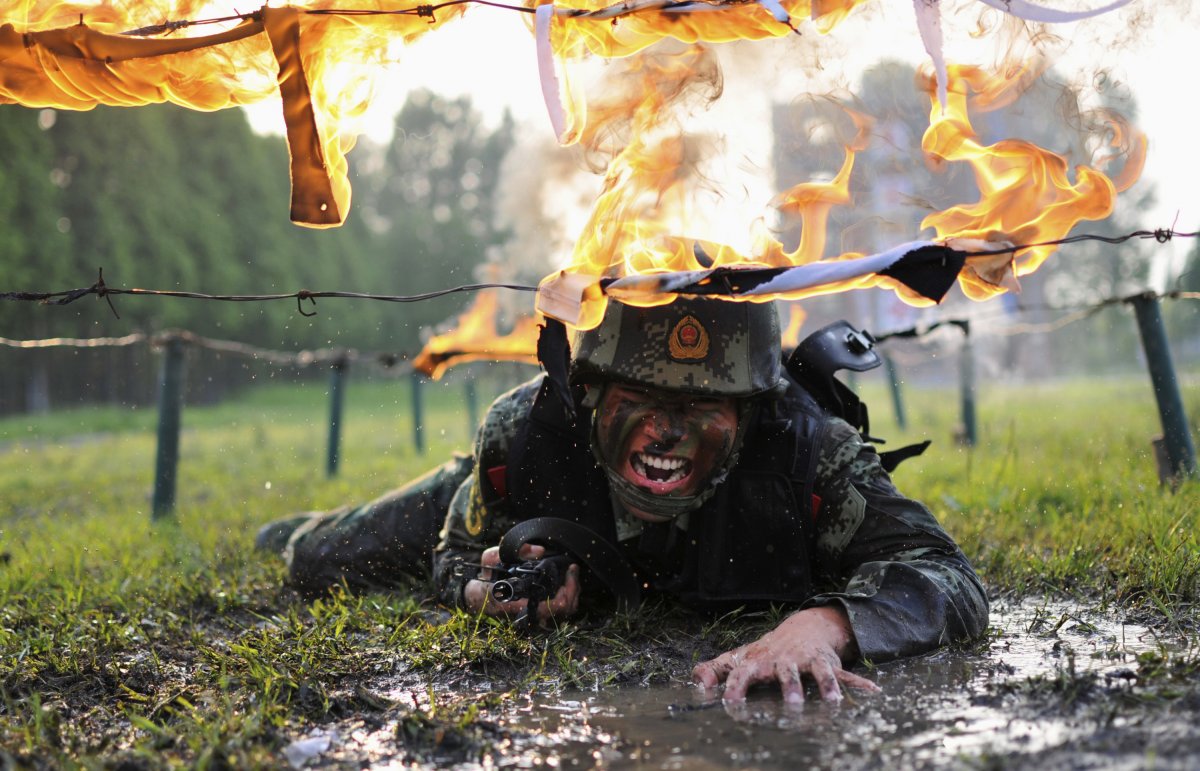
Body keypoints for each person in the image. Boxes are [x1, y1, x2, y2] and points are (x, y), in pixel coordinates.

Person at [258, 296, 988, 703]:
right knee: (313, 556)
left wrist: (824, 625)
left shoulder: (808, 451)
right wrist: (486, 591)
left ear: (750, 411)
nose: (667, 428)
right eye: (639, 397)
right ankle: (289, 522)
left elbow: (945, 572)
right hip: (491, 495)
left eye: (704, 403)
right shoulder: (523, 434)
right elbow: (455, 552)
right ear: (590, 393)